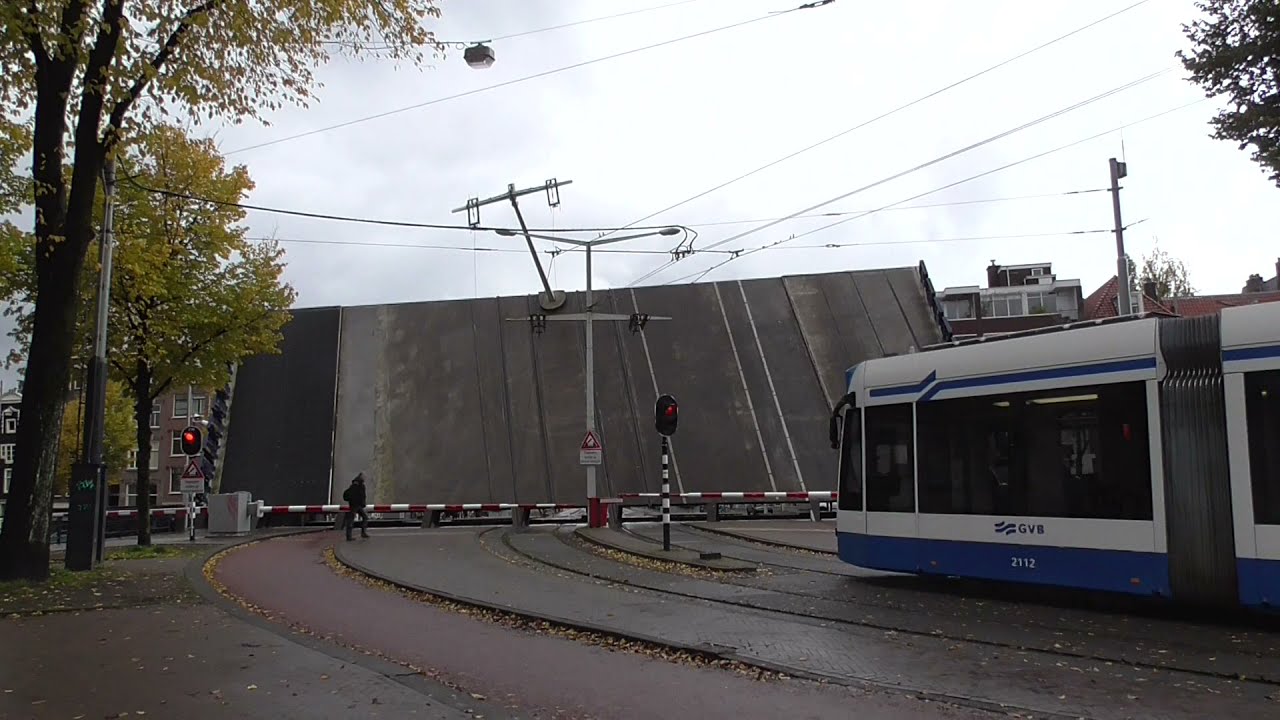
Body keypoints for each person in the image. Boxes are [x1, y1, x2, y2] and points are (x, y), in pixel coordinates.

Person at [342, 473, 370, 540]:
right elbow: (362, 496)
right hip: (356, 505)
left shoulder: (354, 485)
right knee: (363, 518)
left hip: (354, 505)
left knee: (352, 519)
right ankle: (361, 533)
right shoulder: (360, 486)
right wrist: (363, 503)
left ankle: (349, 535)